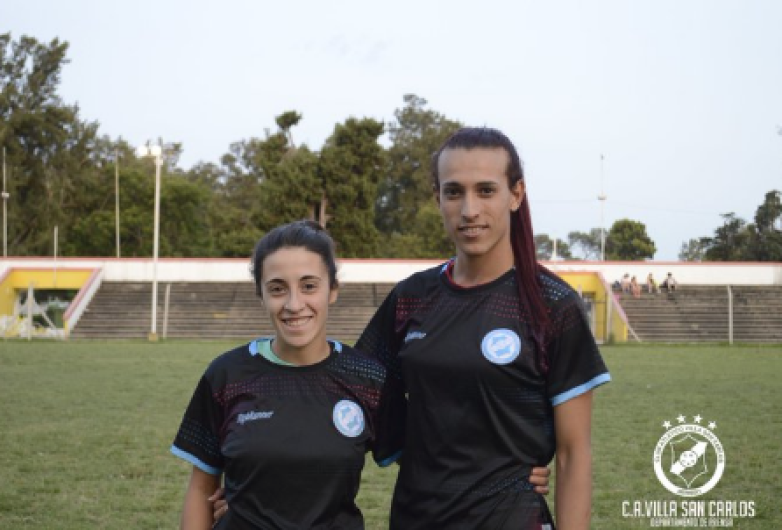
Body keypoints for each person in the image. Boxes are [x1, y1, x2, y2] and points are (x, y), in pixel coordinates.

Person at [214, 127, 605, 528]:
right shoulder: (411, 299)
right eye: (454, 192)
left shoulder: (552, 304)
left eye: (485, 190)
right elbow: (338, 392)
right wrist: (258, 475)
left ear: (516, 194)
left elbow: (574, 453)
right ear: (438, 198)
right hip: (417, 518)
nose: (469, 209)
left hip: (509, 518)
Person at [170, 220, 408, 529]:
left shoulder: (368, 378)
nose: (294, 304)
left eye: (309, 286)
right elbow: (201, 488)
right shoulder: (227, 375)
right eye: (278, 289)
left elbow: (427, 467)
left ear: (332, 290)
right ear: (261, 295)